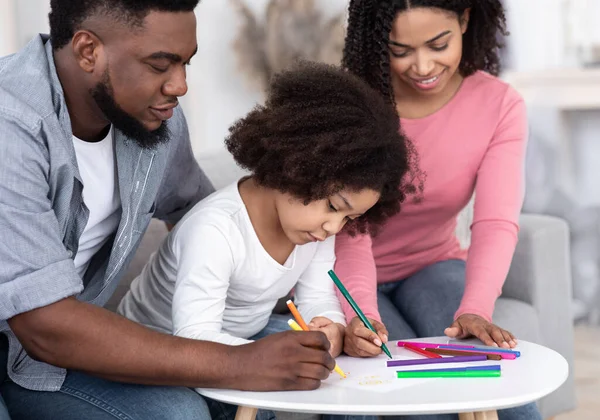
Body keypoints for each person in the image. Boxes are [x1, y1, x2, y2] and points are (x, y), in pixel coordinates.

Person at [0, 2, 338, 419]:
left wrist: (325, 322)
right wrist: (238, 363)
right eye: (160, 65)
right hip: (31, 343)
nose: (180, 86)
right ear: (88, 51)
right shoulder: (10, 127)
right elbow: (45, 326)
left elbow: (207, 216)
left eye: (185, 64)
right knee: (178, 413)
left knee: (313, 361)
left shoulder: (153, 120)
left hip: (60, 345)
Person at [118, 61, 412, 419]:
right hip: (169, 350)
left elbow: (318, 297)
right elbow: (194, 337)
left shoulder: (314, 228)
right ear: (296, 166)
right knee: (263, 406)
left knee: (350, 388)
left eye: (348, 218)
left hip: (245, 339)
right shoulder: (215, 229)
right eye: (334, 207)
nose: (335, 227)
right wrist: (272, 358)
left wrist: (330, 329)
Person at [333, 1, 541, 419]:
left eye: (438, 44)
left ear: (464, 19)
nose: (422, 66)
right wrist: (364, 316)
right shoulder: (353, 105)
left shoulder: (499, 105)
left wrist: (476, 308)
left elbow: (495, 221)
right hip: (348, 273)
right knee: (417, 398)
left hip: (432, 262)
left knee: (497, 381)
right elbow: (349, 229)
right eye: (401, 50)